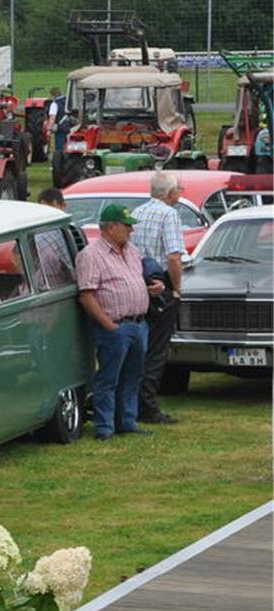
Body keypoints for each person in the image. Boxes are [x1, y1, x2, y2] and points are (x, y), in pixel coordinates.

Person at [75, 204, 158, 441]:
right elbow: (87, 295)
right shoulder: (90, 256)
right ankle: (104, 427)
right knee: (108, 378)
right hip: (115, 326)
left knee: (133, 376)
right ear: (110, 227)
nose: (131, 230)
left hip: (138, 324)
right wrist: (108, 324)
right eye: (126, 226)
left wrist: (151, 289)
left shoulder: (131, 251)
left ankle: (126, 421)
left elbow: (134, 280)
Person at [131, 171, 184, 425]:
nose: (180, 193)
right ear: (170, 193)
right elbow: (174, 256)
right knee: (157, 348)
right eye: (178, 189)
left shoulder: (138, 212)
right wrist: (176, 288)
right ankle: (148, 406)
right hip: (160, 282)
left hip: (138, 280)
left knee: (141, 344)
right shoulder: (169, 214)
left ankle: (134, 400)